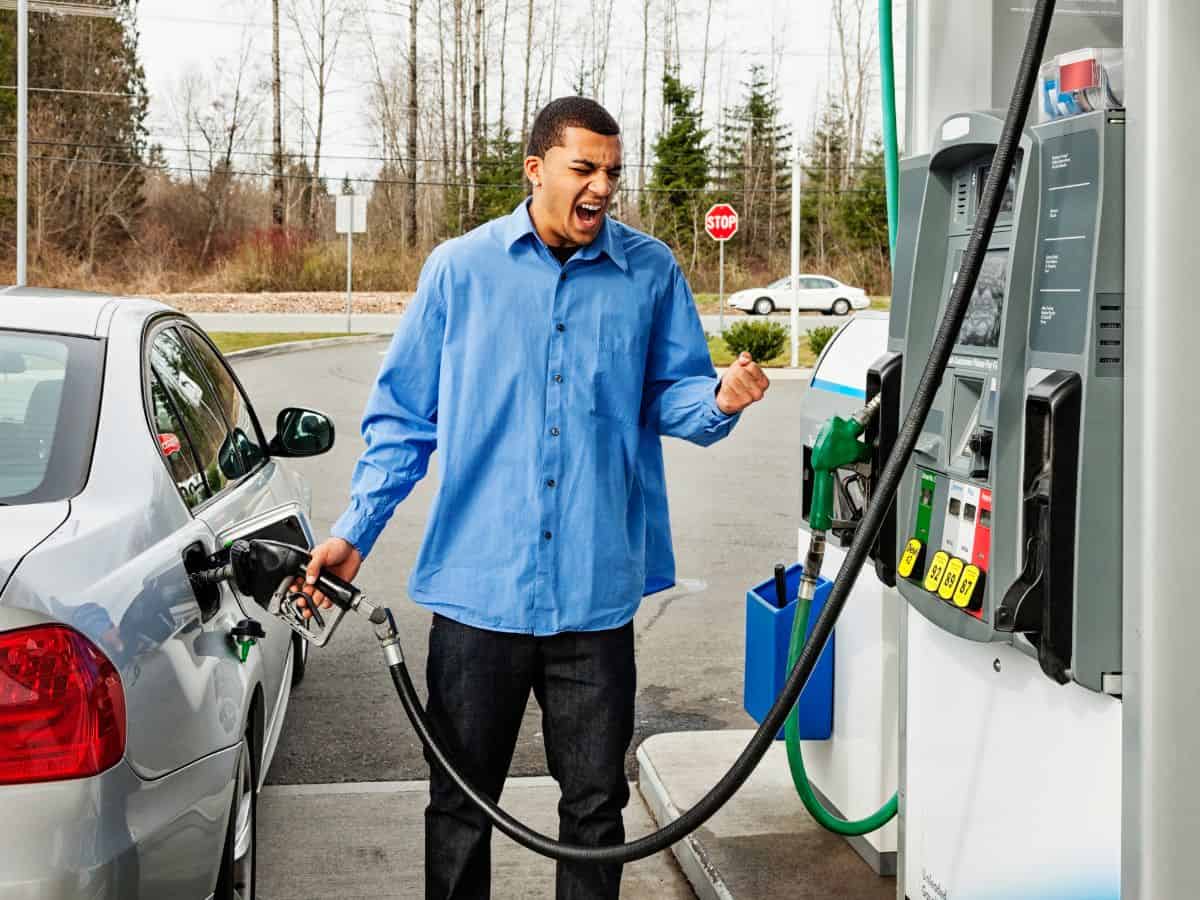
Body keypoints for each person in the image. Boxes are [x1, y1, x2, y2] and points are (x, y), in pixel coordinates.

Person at [298, 96, 769, 900]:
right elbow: (405, 422)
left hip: (594, 595)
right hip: (479, 594)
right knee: (459, 803)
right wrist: (355, 532)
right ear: (537, 169)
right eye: (584, 169)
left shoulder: (649, 271)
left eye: (613, 173)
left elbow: (672, 396)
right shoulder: (460, 270)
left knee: (595, 808)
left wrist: (720, 401)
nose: (601, 188)